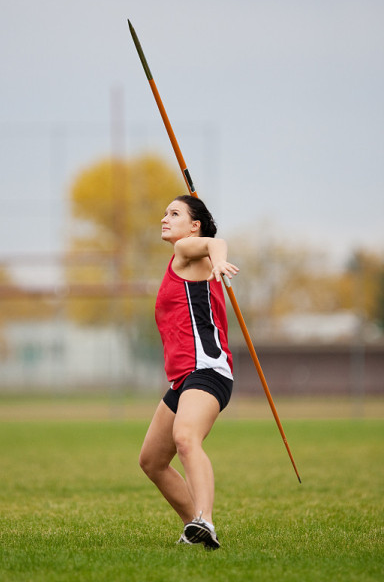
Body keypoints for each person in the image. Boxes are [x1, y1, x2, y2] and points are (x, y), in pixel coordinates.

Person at [139, 195, 239, 550]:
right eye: (164, 213)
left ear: (194, 226)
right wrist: (214, 261)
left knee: (185, 437)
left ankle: (205, 519)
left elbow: (215, 243)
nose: (164, 218)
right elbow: (209, 247)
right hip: (183, 379)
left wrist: (220, 261)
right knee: (152, 461)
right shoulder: (186, 260)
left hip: (207, 372)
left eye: (175, 213)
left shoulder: (187, 251)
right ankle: (195, 529)